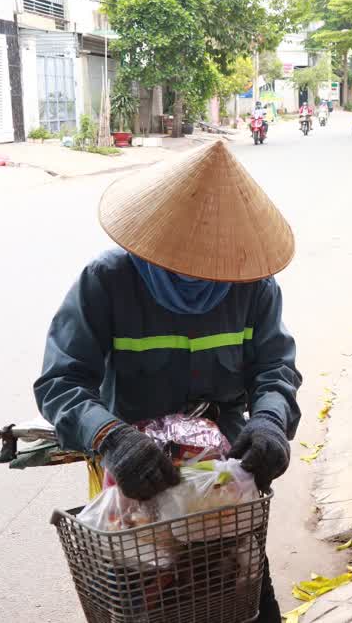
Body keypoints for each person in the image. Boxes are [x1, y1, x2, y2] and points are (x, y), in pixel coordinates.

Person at [33, 140, 301, 622]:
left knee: (244, 603)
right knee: (142, 606)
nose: (198, 270)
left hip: (224, 484)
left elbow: (274, 369)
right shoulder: (107, 281)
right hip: (135, 485)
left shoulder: (254, 287)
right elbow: (61, 380)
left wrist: (268, 423)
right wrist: (111, 437)